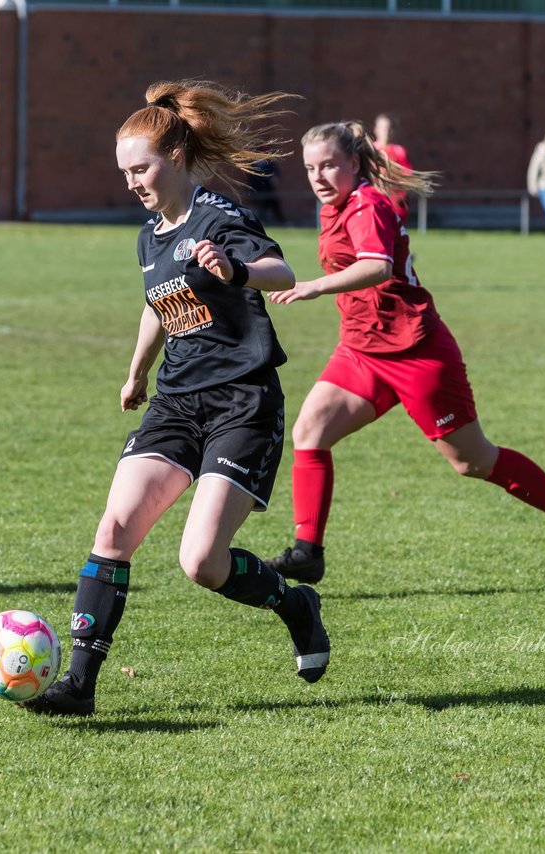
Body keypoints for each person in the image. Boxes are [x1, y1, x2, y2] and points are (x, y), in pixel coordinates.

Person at [23, 80, 330, 718]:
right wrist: (137, 373)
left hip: (242, 405)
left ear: (178, 158)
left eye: (142, 167)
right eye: (125, 172)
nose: (133, 181)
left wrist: (235, 270)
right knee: (115, 528)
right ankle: (80, 684)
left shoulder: (221, 219)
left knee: (201, 561)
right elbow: (158, 306)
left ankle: (294, 603)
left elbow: (284, 272)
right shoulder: (149, 237)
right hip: (176, 402)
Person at [261, 120, 545, 588]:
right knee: (310, 431)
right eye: (310, 168)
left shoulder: (367, 205)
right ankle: (307, 551)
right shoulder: (333, 206)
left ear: (354, 164)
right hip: (362, 349)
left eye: (329, 165)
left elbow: (377, 265)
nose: (318, 176)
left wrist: (315, 286)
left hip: (416, 351)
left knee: (473, 461)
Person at [371, 113, 412, 215]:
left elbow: (407, 175)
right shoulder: (370, 151)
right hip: (374, 199)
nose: (387, 132)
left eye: (389, 128)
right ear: (376, 130)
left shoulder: (399, 151)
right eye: (383, 128)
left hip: (394, 201)